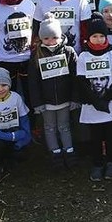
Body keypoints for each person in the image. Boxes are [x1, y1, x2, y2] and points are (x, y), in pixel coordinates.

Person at [77, 13, 112, 181]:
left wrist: (109, 96)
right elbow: (81, 81)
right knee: (96, 137)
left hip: (111, 104)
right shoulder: (83, 57)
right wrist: (94, 100)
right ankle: (97, 163)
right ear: (89, 37)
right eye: (94, 36)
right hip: (92, 106)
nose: (98, 39)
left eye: (101, 36)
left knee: (111, 135)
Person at [27, 11, 79, 168]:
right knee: (49, 127)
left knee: (64, 126)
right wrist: (37, 103)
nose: (51, 41)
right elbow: (33, 82)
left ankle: (69, 151)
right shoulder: (37, 55)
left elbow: (76, 78)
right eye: (47, 38)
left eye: (55, 37)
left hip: (64, 100)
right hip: (46, 102)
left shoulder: (69, 52)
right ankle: (55, 153)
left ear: (60, 36)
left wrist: (75, 98)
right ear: (41, 38)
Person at [0, 67, 32, 183]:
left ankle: (11, 157)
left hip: (14, 131)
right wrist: (11, 137)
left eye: (4, 85)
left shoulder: (16, 97)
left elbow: (24, 118)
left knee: (22, 152)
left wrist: (25, 137)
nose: (0, 89)